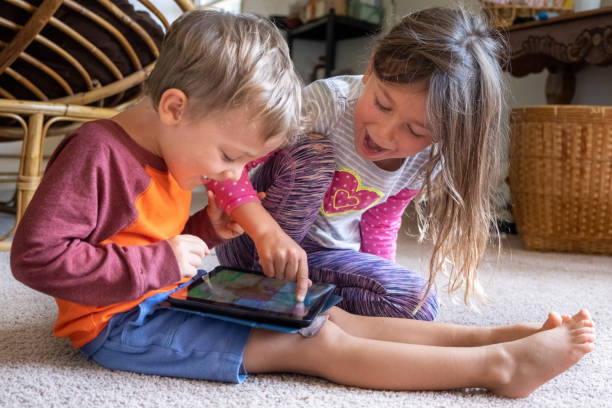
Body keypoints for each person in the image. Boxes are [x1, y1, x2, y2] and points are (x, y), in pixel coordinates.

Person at [9, 9, 595, 397]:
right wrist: (163, 261)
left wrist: (203, 232)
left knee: (331, 314)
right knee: (317, 345)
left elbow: (131, 234)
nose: (235, 177)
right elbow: (35, 259)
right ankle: (499, 369)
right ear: (174, 108)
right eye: (232, 156)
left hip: (168, 291)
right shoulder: (97, 152)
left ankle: (494, 337)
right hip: (118, 326)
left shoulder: (166, 148)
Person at [208, 6, 512, 320]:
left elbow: (380, 222)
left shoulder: (427, 160)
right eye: (382, 104)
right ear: (370, 69)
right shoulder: (328, 103)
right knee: (313, 155)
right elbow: (225, 167)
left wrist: (383, 277)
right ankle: (267, 289)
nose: (384, 134)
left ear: (442, 135)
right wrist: (265, 232)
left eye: (415, 130)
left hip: (323, 260)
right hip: (252, 241)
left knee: (419, 303)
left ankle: (294, 301)